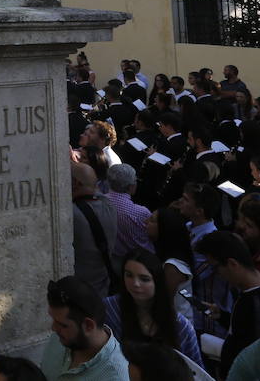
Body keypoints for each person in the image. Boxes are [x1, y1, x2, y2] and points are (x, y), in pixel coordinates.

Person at [194, 231, 260, 372]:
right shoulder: (251, 295)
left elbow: (256, 360)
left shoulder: (259, 304)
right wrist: (223, 316)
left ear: (232, 264)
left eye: (215, 268)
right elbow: (243, 329)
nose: (217, 274)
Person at [103, 249, 201, 367]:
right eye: (129, 275)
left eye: (144, 279)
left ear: (157, 281)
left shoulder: (180, 325)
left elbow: (195, 369)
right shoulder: (110, 309)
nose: (135, 284)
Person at [40, 275, 128, 381]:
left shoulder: (115, 376)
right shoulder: (60, 338)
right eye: (53, 319)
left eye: (62, 325)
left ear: (88, 326)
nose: (54, 328)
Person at [71, 162, 119, 297]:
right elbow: (93, 188)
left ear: (74, 183)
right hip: (103, 285)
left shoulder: (72, 215)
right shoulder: (109, 206)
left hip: (81, 291)